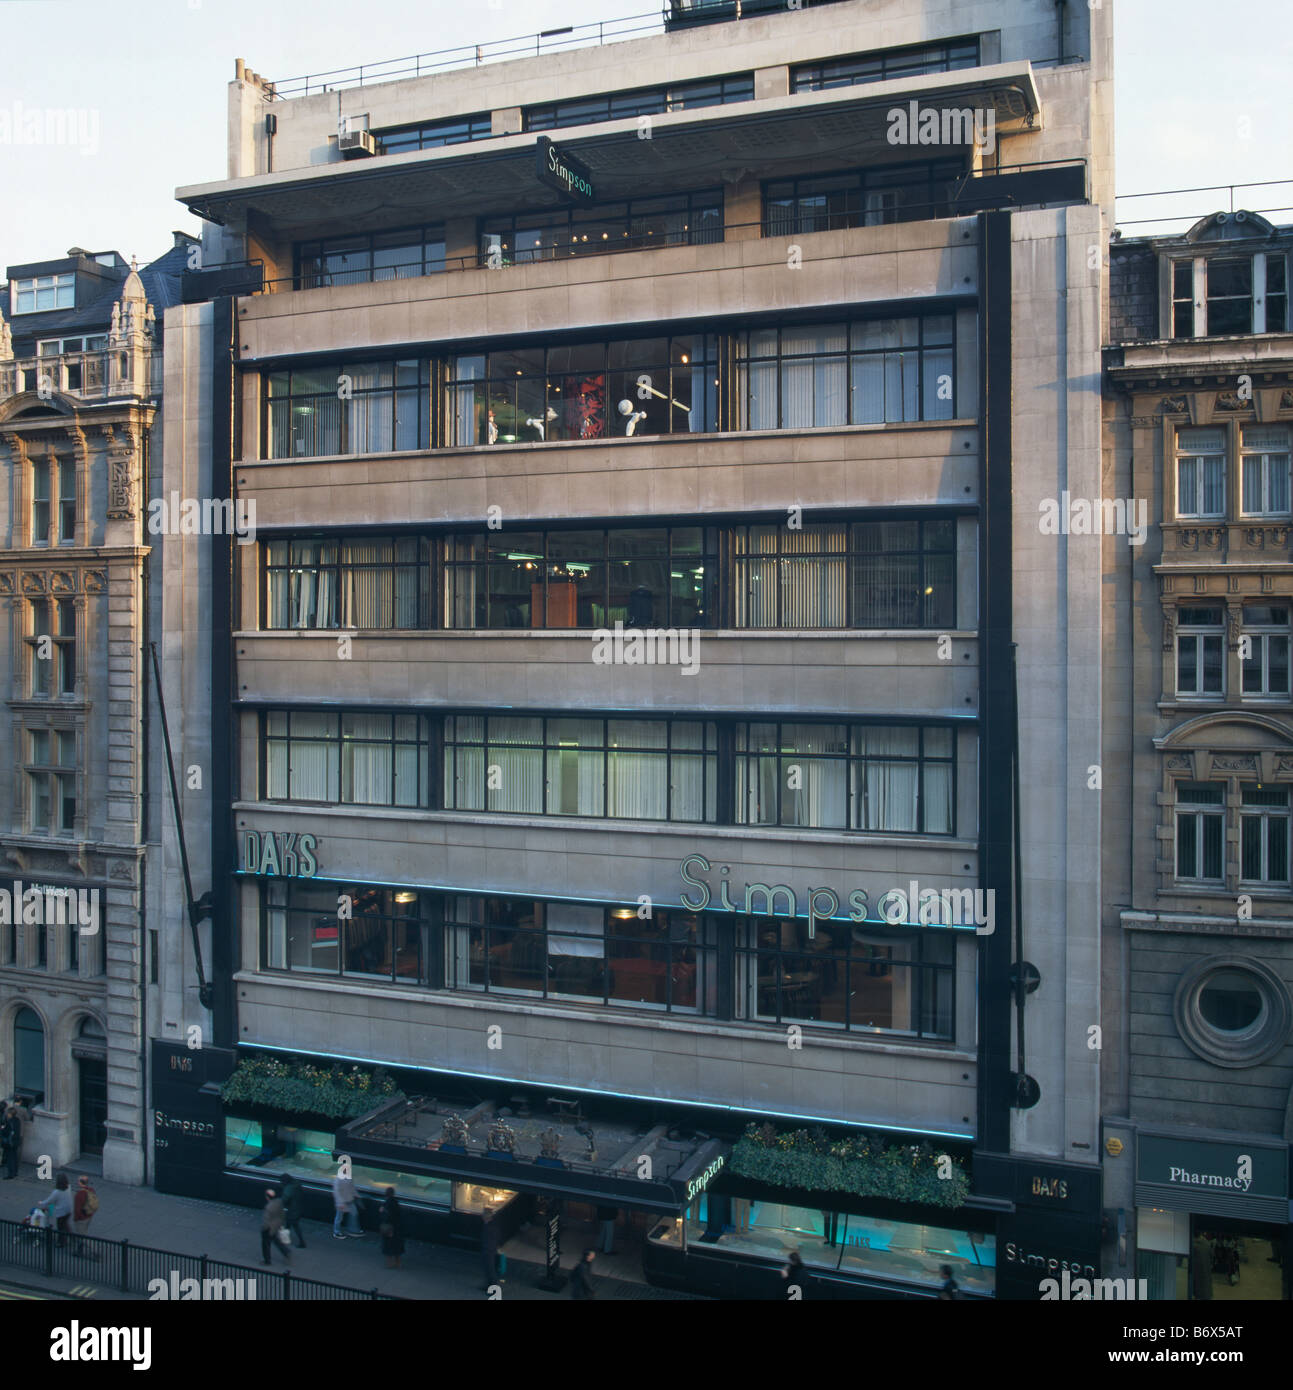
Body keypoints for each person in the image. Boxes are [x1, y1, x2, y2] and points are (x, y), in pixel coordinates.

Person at [40, 1174, 74, 1248]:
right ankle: (73, 1238)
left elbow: (49, 1201)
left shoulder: (57, 1192)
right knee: (66, 1224)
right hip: (69, 1210)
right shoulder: (69, 1187)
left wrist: (41, 1203)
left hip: (61, 1212)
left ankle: (61, 1242)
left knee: (60, 1227)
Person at [260, 1188, 291, 1266]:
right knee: (275, 1240)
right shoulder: (279, 1202)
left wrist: (263, 1229)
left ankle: (267, 1261)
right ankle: (286, 1252)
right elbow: (282, 1214)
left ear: (267, 1197)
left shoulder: (268, 1207)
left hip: (268, 1228)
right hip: (276, 1226)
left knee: (266, 1244)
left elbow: (266, 1220)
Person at [71, 1175, 98, 1255]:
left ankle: (95, 1251)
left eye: (78, 1181)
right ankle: (79, 1250)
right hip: (89, 1215)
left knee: (83, 1235)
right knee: (82, 1233)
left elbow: (77, 1209)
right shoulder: (91, 1190)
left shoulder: (79, 1195)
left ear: (80, 1183)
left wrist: (76, 1219)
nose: (77, 1182)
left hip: (81, 1218)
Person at [380, 1187, 404, 1269]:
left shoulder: (386, 1203)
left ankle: (390, 1264)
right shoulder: (395, 1202)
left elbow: (386, 1217)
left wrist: (382, 1211)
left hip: (389, 1228)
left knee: (388, 1247)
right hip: (397, 1228)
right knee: (397, 1247)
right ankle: (398, 1263)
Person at [332, 1169, 361, 1239]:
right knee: (339, 1217)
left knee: (354, 1214)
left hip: (349, 1200)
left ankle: (352, 1229)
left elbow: (352, 1188)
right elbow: (337, 1192)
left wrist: (357, 1196)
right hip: (342, 1202)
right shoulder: (338, 1180)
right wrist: (340, 1203)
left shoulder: (349, 1178)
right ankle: (336, 1232)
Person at [280, 1174, 306, 1249]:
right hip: (299, 1207)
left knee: (294, 1224)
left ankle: (302, 1242)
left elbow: (285, 1198)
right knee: (289, 1223)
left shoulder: (289, 1188)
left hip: (292, 1209)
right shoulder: (297, 1184)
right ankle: (285, 1238)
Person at [480, 1215, 501, 1290]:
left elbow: (488, 1239)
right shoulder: (492, 1226)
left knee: (489, 1269)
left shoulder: (489, 1227)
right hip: (491, 1249)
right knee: (489, 1269)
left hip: (488, 1250)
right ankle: (489, 1286)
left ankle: (493, 1287)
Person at [1, 1105, 22, 1179]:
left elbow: (6, 1132)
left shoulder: (9, 1122)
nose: (7, 1114)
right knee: (15, 1157)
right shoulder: (17, 1120)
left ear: (10, 1114)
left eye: (8, 1113)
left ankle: (11, 1174)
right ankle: (15, 1172)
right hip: (16, 1141)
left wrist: (2, 1129)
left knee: (10, 1158)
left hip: (10, 1142)